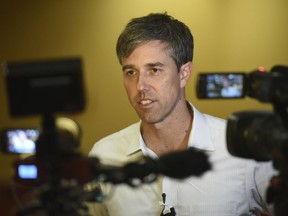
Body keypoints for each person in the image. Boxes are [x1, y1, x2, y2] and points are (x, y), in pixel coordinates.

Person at [88, 12, 276, 216]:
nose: (140, 86)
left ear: (184, 74)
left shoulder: (241, 149)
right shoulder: (104, 156)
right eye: (131, 72)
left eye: (154, 70)